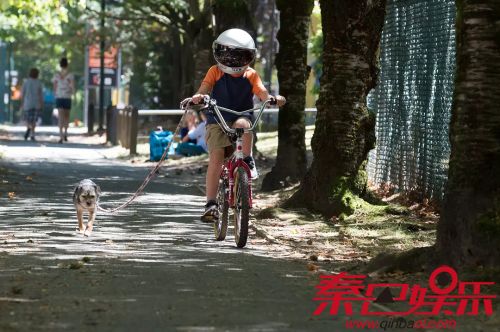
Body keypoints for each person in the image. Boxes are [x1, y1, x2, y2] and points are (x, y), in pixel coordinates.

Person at [189, 28, 285, 222]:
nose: (233, 61)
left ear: (248, 57)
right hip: (217, 118)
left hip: (241, 115)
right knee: (216, 157)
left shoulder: (251, 74)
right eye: (229, 55)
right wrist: (199, 97)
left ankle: (247, 160)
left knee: (244, 125)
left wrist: (272, 99)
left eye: (239, 56)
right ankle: (211, 204)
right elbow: (205, 88)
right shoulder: (214, 71)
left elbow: (262, 92)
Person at [53, 57, 75, 144]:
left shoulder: (56, 75)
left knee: (60, 117)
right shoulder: (70, 75)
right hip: (67, 97)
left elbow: (54, 86)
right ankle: (65, 133)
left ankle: (61, 136)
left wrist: (56, 94)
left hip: (59, 97)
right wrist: (72, 93)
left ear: (60, 65)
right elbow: (72, 86)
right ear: (67, 64)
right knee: (66, 116)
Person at [20, 68, 43, 141]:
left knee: (27, 119)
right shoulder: (39, 82)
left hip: (27, 103)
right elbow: (40, 94)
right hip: (36, 103)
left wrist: (22, 103)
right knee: (34, 120)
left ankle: (28, 128)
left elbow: (22, 94)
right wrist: (41, 103)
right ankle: (32, 134)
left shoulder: (26, 82)